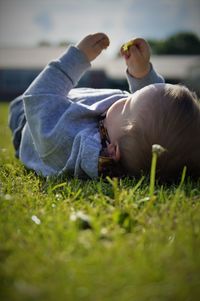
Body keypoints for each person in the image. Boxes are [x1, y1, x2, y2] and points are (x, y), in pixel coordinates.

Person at [9, 33, 200, 181]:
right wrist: (142, 74)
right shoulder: (120, 140)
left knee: (25, 104)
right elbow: (151, 110)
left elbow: (39, 98)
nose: (125, 97)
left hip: (27, 124)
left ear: (113, 150)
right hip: (67, 103)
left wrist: (78, 58)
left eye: (127, 103)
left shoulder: (65, 141)